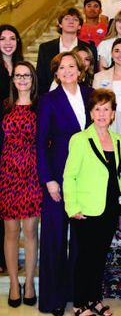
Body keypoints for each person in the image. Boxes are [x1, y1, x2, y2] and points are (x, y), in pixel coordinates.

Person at [63, 89, 121, 316]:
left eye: (106, 109)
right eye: (97, 109)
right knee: (85, 258)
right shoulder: (80, 139)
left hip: (109, 207)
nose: (102, 114)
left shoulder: (118, 140)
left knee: (99, 258)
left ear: (113, 114)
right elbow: (69, 176)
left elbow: (116, 174)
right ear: (91, 113)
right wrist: (72, 207)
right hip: (86, 209)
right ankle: (79, 304)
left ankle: (95, 300)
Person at [37, 51, 93, 315]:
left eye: (72, 66)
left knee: (82, 239)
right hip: (57, 177)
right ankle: (54, 298)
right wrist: (48, 179)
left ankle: (77, 293)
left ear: (80, 69)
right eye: (62, 67)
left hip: (86, 176)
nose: (68, 70)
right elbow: (40, 144)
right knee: (55, 237)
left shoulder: (91, 93)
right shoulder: (48, 100)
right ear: (56, 73)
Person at [0, 61, 41, 308]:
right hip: (7, 175)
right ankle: (14, 283)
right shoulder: (4, 107)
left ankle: (29, 283)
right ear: (13, 79)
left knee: (31, 232)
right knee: (11, 232)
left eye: (27, 75)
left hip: (33, 174)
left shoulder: (41, 106)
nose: (22, 79)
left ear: (33, 79)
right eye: (18, 75)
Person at [36, 8, 96, 94]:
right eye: (67, 18)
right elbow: (40, 78)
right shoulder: (45, 48)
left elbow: (93, 75)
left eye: (75, 19)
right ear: (60, 24)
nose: (71, 22)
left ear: (79, 26)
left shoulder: (89, 48)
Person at [0, 24, 24, 100]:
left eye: (12, 39)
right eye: (2, 39)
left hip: (17, 111)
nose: (8, 43)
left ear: (17, 41)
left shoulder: (22, 66)